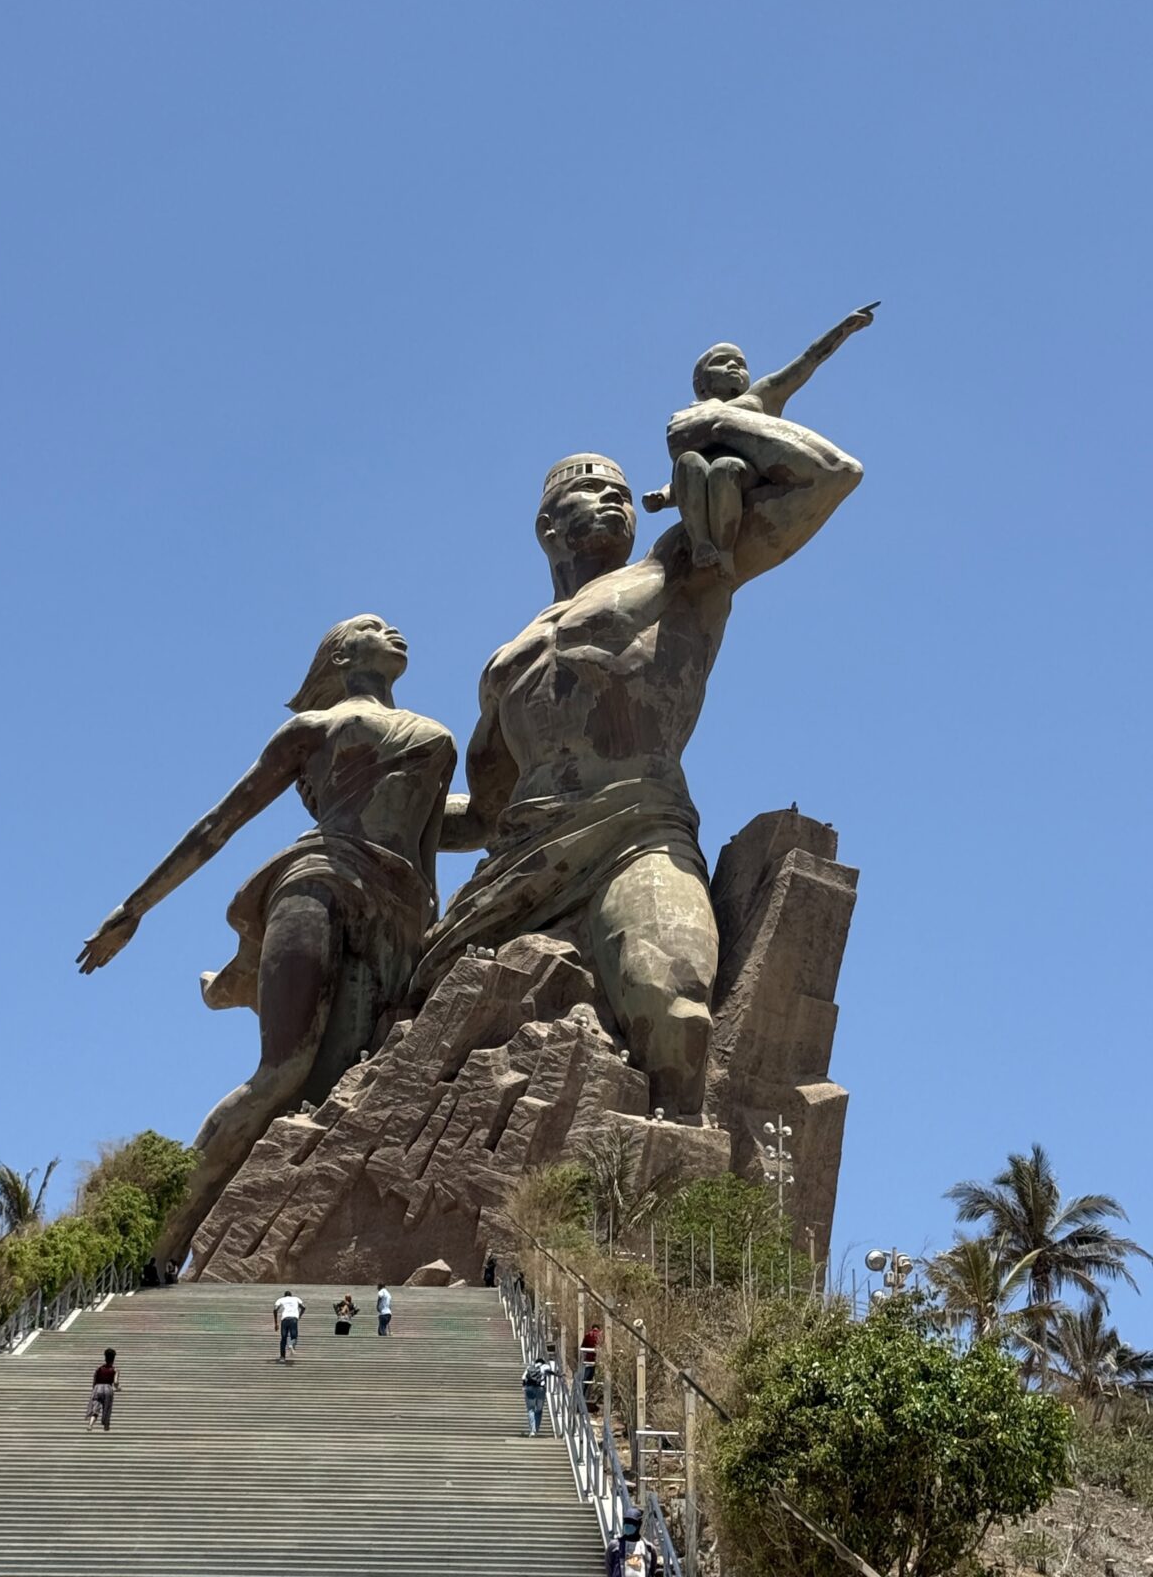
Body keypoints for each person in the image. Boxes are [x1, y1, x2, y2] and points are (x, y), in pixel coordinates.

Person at [418, 402, 864, 1115]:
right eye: (594, 492)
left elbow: (831, 476)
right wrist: (367, 822)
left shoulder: (681, 567)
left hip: (638, 833)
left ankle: (676, 1159)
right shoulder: (505, 663)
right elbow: (483, 815)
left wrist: (719, 421)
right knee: (424, 1022)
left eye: (624, 494)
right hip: (519, 862)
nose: (615, 502)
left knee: (674, 1001)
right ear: (548, 527)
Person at [78, 616, 456, 1266]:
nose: (393, 630)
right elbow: (218, 825)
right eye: (372, 626)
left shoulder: (436, 738)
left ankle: (292, 1246)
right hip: (319, 882)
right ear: (340, 656)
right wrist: (134, 909)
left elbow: (440, 839)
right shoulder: (314, 728)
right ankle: (158, 1241)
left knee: (341, 1082)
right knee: (283, 1072)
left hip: (399, 913)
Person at [642, 306, 876, 576]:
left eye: (741, 363)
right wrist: (663, 497)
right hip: (701, 478)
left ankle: (725, 550)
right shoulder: (689, 415)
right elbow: (682, 481)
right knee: (688, 461)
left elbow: (806, 361)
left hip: (743, 473)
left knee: (725, 467)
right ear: (700, 383)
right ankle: (701, 543)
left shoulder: (757, 397)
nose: (734, 366)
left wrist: (844, 329)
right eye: (722, 362)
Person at [607, 1506, 660, 1577]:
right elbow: (609, 1569)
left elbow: (651, 1570)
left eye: (631, 1522)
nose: (627, 1524)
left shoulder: (649, 1548)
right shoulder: (614, 1546)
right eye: (626, 1522)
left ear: (638, 1525)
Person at [521, 1342, 558, 1437]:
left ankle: (532, 1431)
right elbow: (548, 1371)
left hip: (529, 1389)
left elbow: (523, 1378)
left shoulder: (529, 1367)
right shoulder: (544, 1366)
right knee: (539, 1410)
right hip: (540, 1390)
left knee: (531, 1410)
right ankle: (536, 1430)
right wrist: (557, 1375)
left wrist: (524, 1387)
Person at [85, 1347, 120, 1432]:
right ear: (113, 1358)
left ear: (105, 1357)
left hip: (97, 1387)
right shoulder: (115, 1370)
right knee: (107, 1407)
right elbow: (115, 1382)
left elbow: (94, 1381)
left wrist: (94, 1389)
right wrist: (118, 1388)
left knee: (95, 1407)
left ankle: (90, 1425)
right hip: (108, 1388)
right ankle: (106, 1425)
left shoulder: (98, 1369)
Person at [274, 1289, 305, 1361]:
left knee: (283, 1338)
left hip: (284, 1319)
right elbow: (303, 1307)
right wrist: (299, 1316)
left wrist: (276, 1323)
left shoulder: (280, 1299)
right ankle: (291, 1345)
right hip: (294, 1319)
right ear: (291, 1295)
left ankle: (282, 1357)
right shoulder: (296, 1299)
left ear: (284, 1296)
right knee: (294, 1335)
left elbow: (275, 1309)